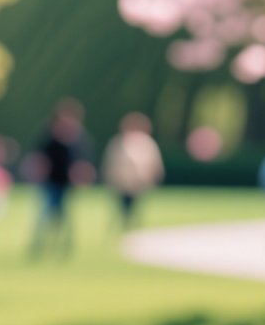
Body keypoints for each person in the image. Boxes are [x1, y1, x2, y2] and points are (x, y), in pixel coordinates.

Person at [29, 99, 92, 253]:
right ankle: (40, 244)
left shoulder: (78, 138)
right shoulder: (50, 136)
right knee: (46, 212)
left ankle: (65, 244)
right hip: (50, 181)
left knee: (66, 214)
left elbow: (82, 161)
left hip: (66, 183)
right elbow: (40, 157)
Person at [102, 112, 164, 227]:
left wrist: (154, 176)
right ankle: (124, 224)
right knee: (122, 206)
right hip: (121, 181)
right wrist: (110, 178)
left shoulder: (147, 142)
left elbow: (154, 162)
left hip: (139, 182)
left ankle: (131, 225)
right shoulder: (118, 142)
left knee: (135, 207)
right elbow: (110, 162)